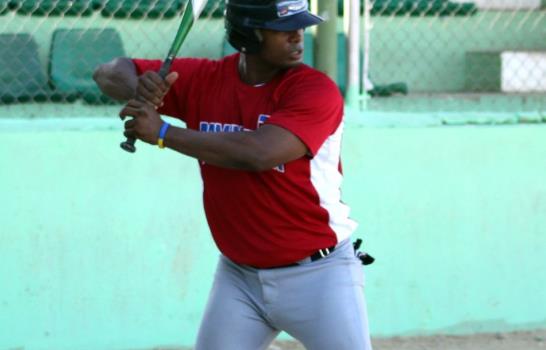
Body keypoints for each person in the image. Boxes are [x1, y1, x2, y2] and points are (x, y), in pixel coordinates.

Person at [93, 0, 373, 349]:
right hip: (239, 278)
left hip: (319, 276)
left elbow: (259, 154)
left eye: (300, 26)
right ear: (249, 34)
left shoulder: (314, 91)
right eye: (283, 29)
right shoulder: (205, 79)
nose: (298, 37)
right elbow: (108, 72)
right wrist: (142, 89)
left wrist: (164, 133)